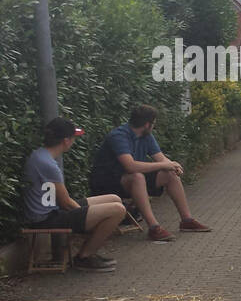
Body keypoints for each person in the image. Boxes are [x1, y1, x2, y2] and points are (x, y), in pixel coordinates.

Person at [88, 105, 210, 242]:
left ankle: (186, 220)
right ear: (147, 124)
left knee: (170, 175)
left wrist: (172, 166)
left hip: (129, 178)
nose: (153, 126)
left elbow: (161, 158)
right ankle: (153, 228)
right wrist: (165, 164)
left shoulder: (146, 136)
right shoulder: (118, 136)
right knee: (137, 177)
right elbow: (130, 166)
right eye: (153, 124)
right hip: (107, 182)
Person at [23, 118, 126, 272]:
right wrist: (87, 219)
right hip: (46, 218)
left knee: (114, 198)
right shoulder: (49, 164)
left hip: (50, 210)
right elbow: (66, 203)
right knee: (118, 209)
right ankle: (84, 256)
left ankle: (87, 252)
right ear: (66, 141)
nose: (74, 141)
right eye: (73, 137)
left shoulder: (40, 155)